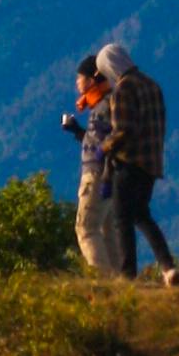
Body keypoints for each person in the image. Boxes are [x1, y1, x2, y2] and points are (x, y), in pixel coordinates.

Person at [96, 41, 179, 278]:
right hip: (152, 162)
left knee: (121, 218)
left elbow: (124, 129)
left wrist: (104, 147)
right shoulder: (152, 85)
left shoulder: (124, 89)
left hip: (129, 162)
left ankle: (128, 275)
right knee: (141, 215)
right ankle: (168, 267)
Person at [59, 52, 125, 275]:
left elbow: (108, 144)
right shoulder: (106, 104)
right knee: (108, 231)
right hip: (111, 175)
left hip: (97, 175)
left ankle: (105, 283)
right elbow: (99, 141)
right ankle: (122, 284)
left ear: (91, 79)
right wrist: (78, 131)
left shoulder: (104, 106)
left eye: (80, 77)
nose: (77, 82)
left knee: (86, 228)